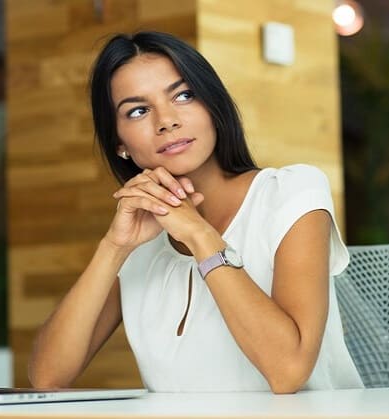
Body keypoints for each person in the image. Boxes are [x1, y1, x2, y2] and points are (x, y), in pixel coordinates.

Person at [29, 31, 363, 394]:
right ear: (120, 143)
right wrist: (113, 247)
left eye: (183, 95)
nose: (166, 120)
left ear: (213, 106)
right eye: (138, 110)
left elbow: (288, 371)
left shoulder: (290, 193)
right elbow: (48, 377)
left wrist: (199, 234)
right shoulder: (139, 243)